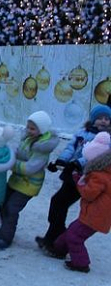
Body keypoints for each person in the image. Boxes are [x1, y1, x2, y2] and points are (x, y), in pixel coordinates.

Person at [36, 104, 111, 251]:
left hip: (87, 178)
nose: (103, 121)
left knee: (59, 203)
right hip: (73, 173)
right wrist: (62, 161)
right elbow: (71, 147)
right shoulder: (83, 132)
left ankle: (57, 239)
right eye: (100, 118)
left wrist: (78, 163)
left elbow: (96, 156)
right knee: (58, 203)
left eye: (107, 119)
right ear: (93, 119)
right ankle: (54, 237)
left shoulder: (106, 138)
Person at [0, 110, 59, 251]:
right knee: (1, 202)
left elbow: (30, 168)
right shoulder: (28, 138)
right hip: (16, 180)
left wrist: (11, 163)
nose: (29, 130)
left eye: (33, 128)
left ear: (42, 130)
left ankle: (6, 238)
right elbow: (17, 150)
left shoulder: (42, 148)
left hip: (29, 185)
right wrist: (7, 154)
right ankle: (6, 228)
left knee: (12, 208)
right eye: (28, 127)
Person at [46, 132, 111, 273]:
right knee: (73, 229)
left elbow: (89, 194)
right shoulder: (103, 173)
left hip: (95, 216)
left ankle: (81, 263)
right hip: (94, 214)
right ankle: (59, 248)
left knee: (75, 235)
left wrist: (78, 182)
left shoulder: (99, 176)